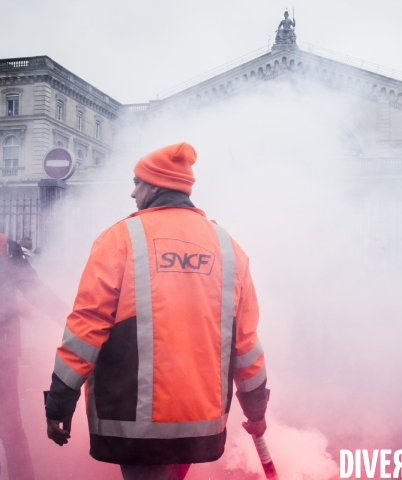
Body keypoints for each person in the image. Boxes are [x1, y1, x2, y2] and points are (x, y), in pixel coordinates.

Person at [44, 142, 270, 480]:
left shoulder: (119, 240)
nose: (133, 193)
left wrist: (60, 402)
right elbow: (246, 343)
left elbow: (85, 330)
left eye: (137, 182)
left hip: (136, 427)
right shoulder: (227, 247)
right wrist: (256, 410)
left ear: (155, 185)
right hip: (200, 423)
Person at [1, 233, 68, 480]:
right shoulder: (4, 246)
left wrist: (72, 322)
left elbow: (34, 289)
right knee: (11, 430)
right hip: (4, 352)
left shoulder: (4, 246)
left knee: (10, 429)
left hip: (3, 355)